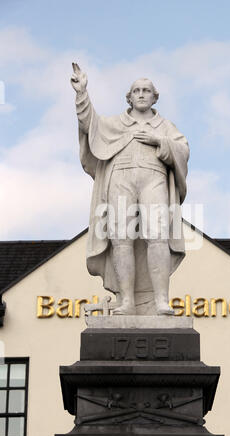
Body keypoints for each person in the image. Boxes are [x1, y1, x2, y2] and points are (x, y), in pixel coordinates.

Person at [71, 63, 189, 315]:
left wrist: (160, 141)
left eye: (147, 90)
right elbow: (89, 124)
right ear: (130, 97)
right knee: (121, 238)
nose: (142, 94)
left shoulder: (165, 127)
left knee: (157, 235)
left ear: (155, 96)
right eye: (137, 90)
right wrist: (82, 94)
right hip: (120, 177)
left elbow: (183, 150)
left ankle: (161, 301)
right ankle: (127, 301)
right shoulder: (115, 124)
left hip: (153, 177)